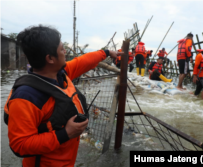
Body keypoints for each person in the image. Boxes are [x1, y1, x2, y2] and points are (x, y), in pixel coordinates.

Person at [3, 25, 118, 167]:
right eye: (62, 49)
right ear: (50, 58)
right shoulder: (26, 97)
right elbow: (19, 145)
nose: (65, 51)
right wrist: (66, 133)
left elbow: (82, 62)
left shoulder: (60, 75)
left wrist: (106, 52)